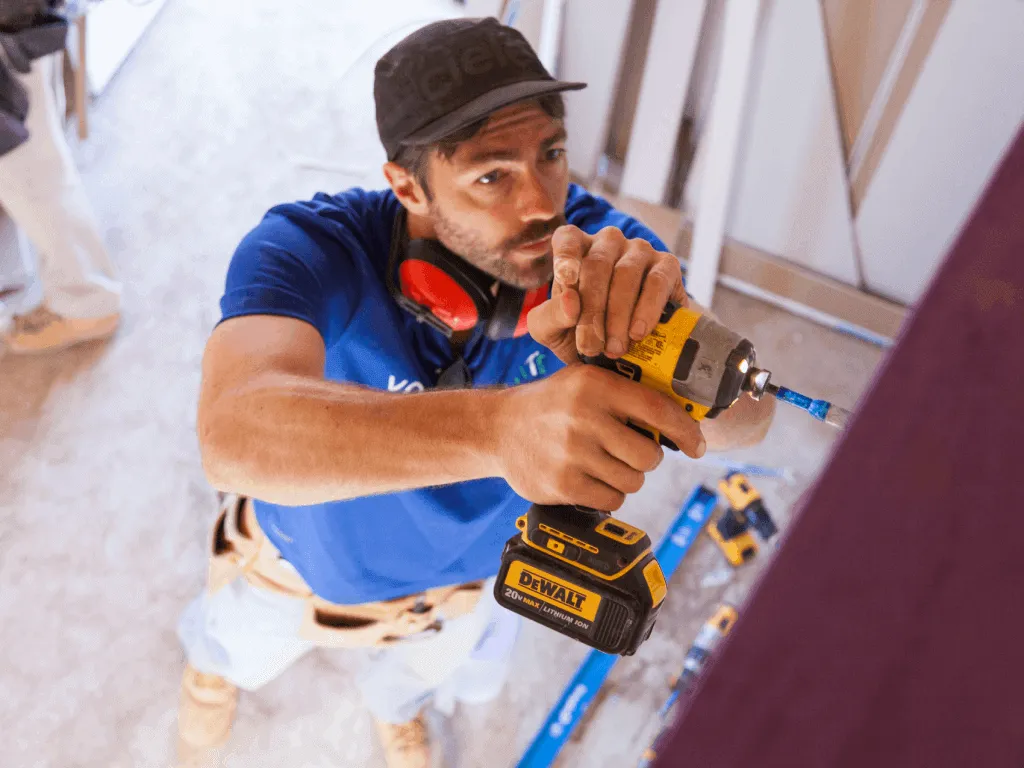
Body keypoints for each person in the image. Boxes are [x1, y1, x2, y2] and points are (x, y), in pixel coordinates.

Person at [175, 17, 775, 768]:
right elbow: (233, 435)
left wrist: (696, 354)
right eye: (492, 174)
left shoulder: (595, 252)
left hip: (463, 586)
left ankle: (396, 714)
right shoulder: (311, 247)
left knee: (409, 684)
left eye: (551, 153)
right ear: (406, 185)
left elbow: (753, 420)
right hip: (298, 572)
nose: (542, 203)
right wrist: (500, 430)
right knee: (234, 647)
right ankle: (209, 680)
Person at [0, 0, 121, 353]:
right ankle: (84, 294)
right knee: (40, 163)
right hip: (21, 21)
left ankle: (85, 303)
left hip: (12, 28)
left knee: (30, 174)